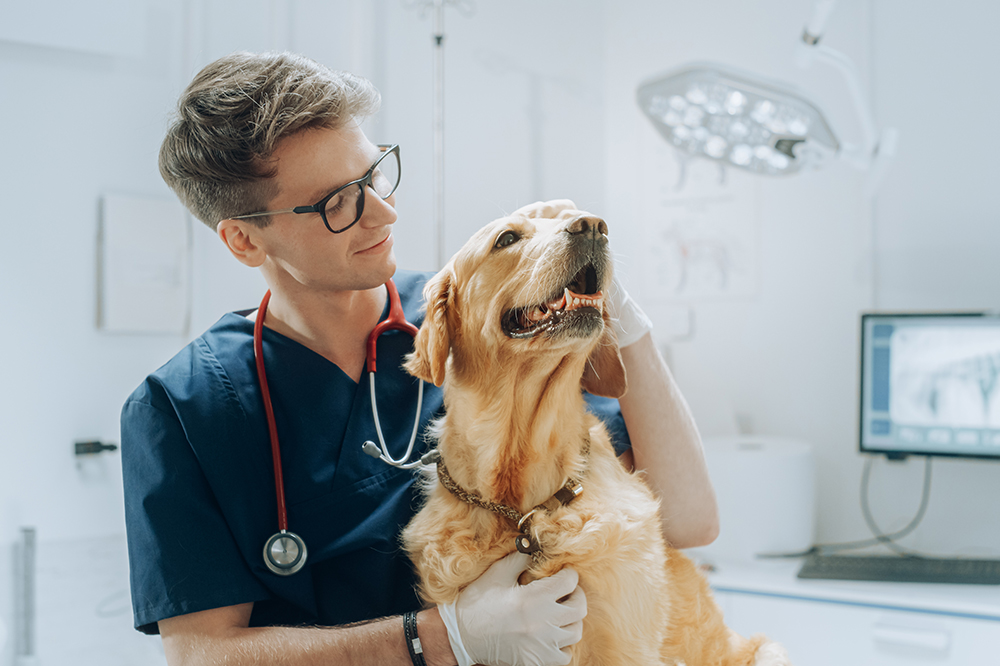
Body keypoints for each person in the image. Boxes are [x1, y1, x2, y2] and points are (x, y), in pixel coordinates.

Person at [121, 51, 718, 666]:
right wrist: (442, 636)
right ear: (245, 239)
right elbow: (200, 653)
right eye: (335, 203)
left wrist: (618, 314)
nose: (383, 212)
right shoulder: (183, 408)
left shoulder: (475, 319)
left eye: (375, 175)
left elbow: (689, 520)